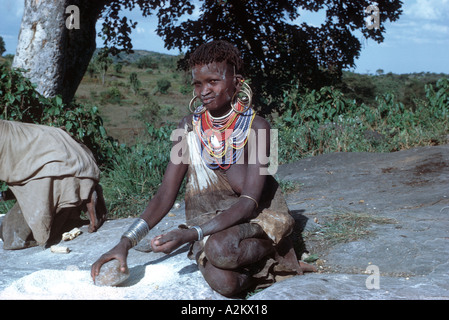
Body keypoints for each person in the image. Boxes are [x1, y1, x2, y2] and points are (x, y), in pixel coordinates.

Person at [91, 40, 314, 297]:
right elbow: (165, 194)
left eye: (213, 82)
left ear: (237, 83)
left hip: (256, 219)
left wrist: (192, 235)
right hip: (209, 224)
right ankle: (255, 270)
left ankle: (274, 253)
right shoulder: (185, 128)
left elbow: (249, 202)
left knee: (221, 249)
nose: (204, 91)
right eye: (198, 84)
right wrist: (124, 243)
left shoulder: (261, 129)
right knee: (226, 284)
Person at [0, 119, 107, 250]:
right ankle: (82, 196)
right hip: (63, 152)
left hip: (55, 165)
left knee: (14, 237)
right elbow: (23, 177)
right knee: (9, 227)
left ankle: (83, 197)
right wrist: (5, 195)